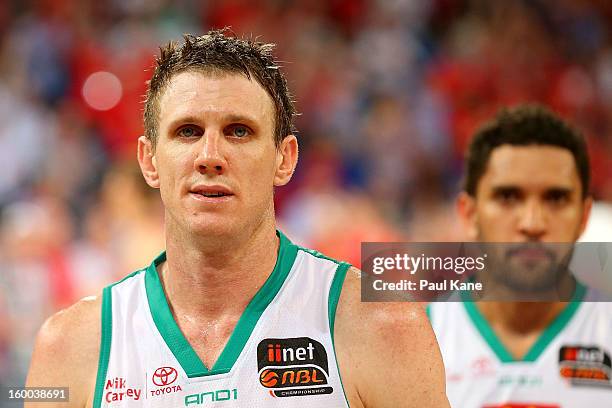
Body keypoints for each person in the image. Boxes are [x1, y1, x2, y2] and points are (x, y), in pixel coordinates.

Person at [25, 30, 449, 408]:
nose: (210, 156)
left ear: (285, 160)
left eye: (239, 131)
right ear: (148, 160)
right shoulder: (67, 347)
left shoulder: (385, 327)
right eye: (188, 131)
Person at [428, 104, 612, 407]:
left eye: (556, 198)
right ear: (469, 214)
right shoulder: (415, 341)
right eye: (508, 197)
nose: (532, 223)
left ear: (584, 217)